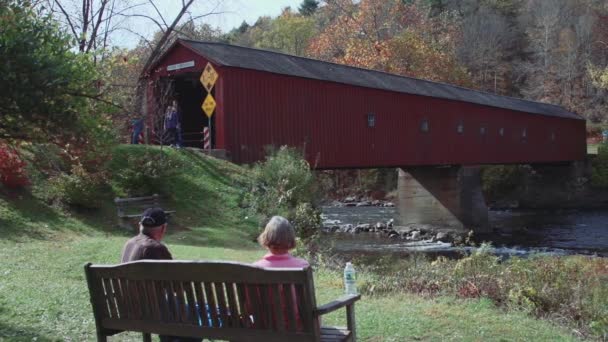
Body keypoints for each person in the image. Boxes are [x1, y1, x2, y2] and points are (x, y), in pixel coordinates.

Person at [120, 208, 200, 342]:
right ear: (163, 228)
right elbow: (176, 287)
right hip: (150, 312)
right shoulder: (156, 248)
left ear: (140, 225)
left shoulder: (129, 243)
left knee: (174, 309)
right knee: (195, 322)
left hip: (127, 309)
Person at [252, 216, 309, 331]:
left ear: (266, 237)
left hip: (264, 329)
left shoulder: (253, 269)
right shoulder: (302, 266)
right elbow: (308, 305)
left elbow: (249, 308)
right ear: (290, 239)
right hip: (298, 331)